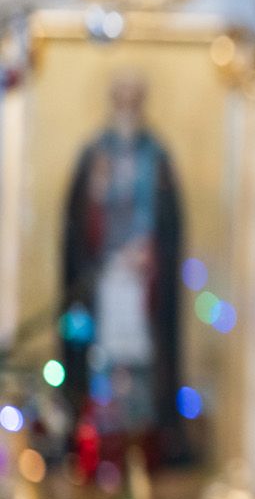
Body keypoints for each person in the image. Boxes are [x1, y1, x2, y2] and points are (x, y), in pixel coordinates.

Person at [61, 69, 187, 473]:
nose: (128, 104)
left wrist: (150, 252)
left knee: (142, 361)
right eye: (123, 96)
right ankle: (101, 447)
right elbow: (78, 223)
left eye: (136, 96)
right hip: (105, 279)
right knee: (103, 360)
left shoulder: (156, 155)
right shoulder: (96, 153)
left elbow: (169, 222)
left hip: (143, 280)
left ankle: (145, 444)